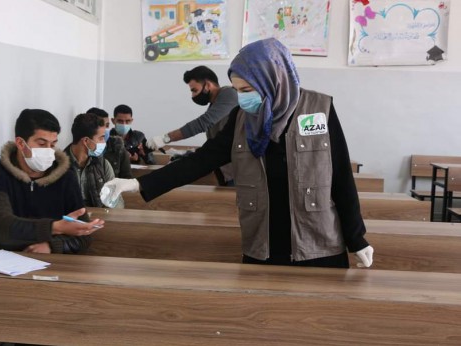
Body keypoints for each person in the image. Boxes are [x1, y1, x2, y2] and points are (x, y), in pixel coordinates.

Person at [101, 38, 374, 269]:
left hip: (318, 245)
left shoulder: (319, 108)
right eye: (239, 90)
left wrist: (357, 238)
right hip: (263, 245)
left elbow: (340, 177)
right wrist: (137, 183)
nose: (243, 98)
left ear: (272, 80)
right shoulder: (242, 118)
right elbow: (201, 160)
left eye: (248, 90)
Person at [0, 109, 104, 254]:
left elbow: (83, 237)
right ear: (20, 143)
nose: (48, 151)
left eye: (52, 145)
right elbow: (0, 227)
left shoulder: (66, 177)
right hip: (2, 265)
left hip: (52, 266)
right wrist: (55, 227)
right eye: (42, 144)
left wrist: (51, 246)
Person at [146, 65, 238, 185]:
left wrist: (165, 138)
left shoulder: (229, 94)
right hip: (225, 170)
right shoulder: (215, 106)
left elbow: (202, 123)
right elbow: (215, 141)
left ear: (208, 85)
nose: (193, 96)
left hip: (238, 171)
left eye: (194, 90)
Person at [65, 113, 123, 208]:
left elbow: (116, 199)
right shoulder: (58, 165)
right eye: (101, 138)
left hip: (99, 218)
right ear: (86, 141)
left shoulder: (103, 164)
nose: (104, 142)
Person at [87, 107, 133, 179]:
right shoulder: (82, 148)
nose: (105, 129)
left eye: (107, 125)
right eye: (101, 125)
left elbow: (127, 178)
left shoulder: (117, 146)